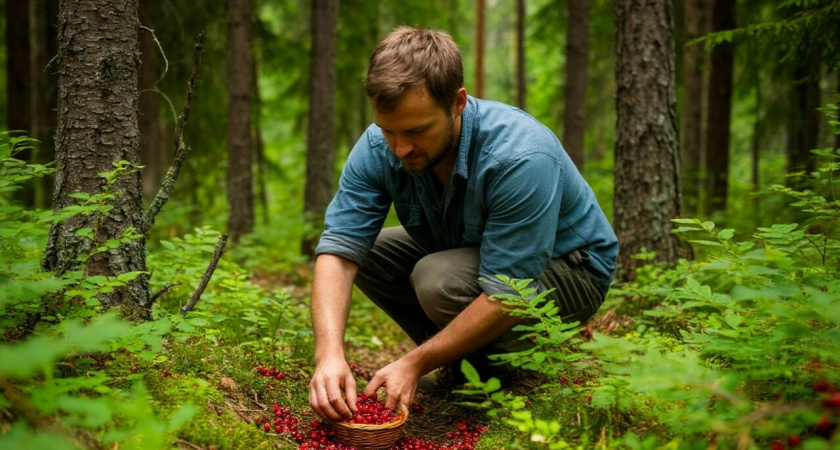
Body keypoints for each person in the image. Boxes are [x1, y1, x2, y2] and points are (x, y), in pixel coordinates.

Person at [308, 26, 618, 422]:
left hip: (572, 269)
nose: (400, 148)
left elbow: (509, 291)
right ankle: (465, 361)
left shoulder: (519, 156)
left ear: (457, 103)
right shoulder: (376, 146)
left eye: (417, 131)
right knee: (370, 255)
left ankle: (506, 371)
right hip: (470, 247)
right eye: (389, 131)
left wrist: (415, 363)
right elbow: (338, 251)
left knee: (438, 278)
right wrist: (328, 355)